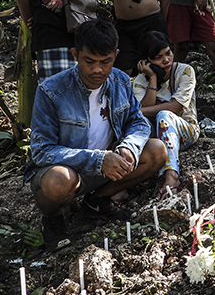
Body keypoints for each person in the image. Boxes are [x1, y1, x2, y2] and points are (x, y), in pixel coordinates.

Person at [26, 19, 167, 251]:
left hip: (108, 166)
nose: (97, 69)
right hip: (68, 170)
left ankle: (96, 202)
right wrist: (99, 159)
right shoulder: (51, 91)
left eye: (106, 61)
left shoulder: (120, 80)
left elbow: (138, 122)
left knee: (156, 151)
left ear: (116, 56)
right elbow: (42, 151)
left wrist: (128, 147)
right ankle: (51, 219)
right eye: (89, 61)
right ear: (75, 54)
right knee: (59, 180)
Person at [131, 31, 199, 192]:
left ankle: (171, 175)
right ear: (147, 61)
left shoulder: (185, 71)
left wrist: (141, 110)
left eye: (168, 53)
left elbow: (176, 108)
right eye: (158, 57)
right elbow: (143, 110)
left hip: (186, 131)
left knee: (164, 114)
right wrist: (153, 78)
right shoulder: (141, 80)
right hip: (156, 139)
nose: (166, 60)